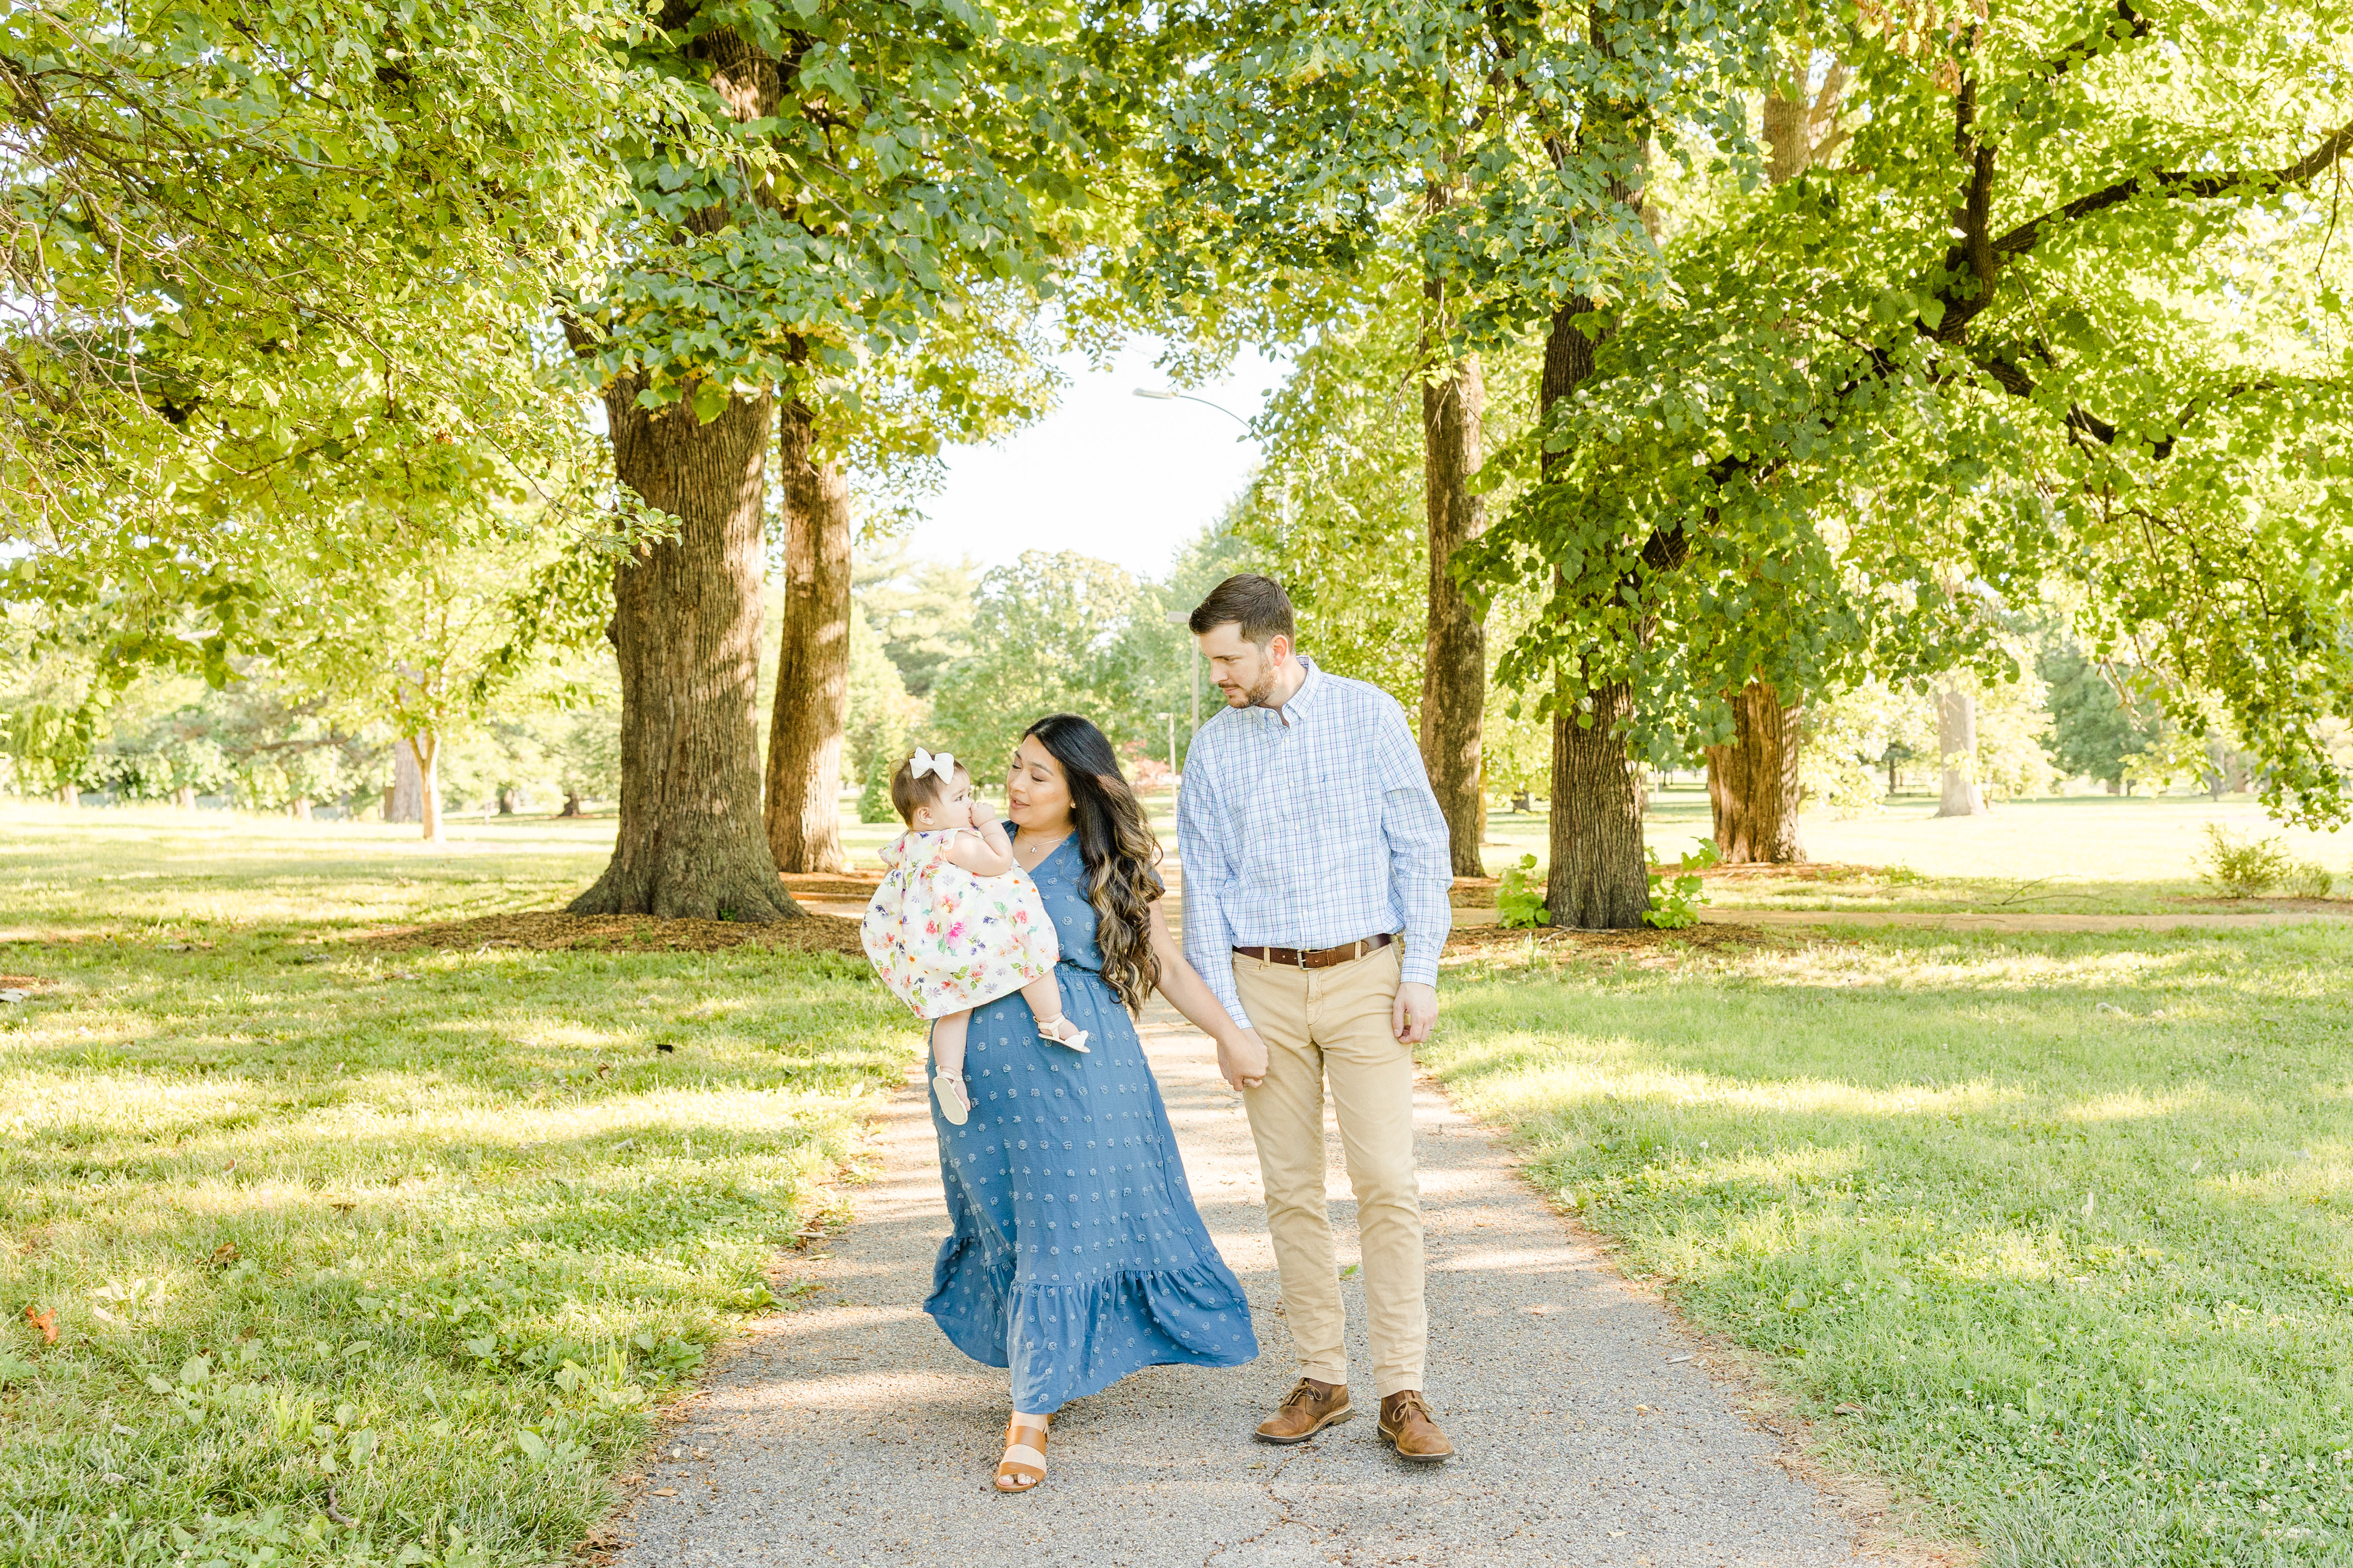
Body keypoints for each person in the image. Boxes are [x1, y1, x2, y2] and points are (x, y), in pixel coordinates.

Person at [923, 713, 1267, 1493]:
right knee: (1005, 1221)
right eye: (1014, 766)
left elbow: (1165, 964)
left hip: (1077, 1070)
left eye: (1039, 773)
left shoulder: (1100, 861)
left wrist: (1230, 1035)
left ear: (1081, 789)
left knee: (1061, 1226)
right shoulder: (973, 845)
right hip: (974, 1069)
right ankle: (1048, 1362)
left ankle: (1030, 1413)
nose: (1016, 783)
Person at [1176, 573, 1457, 1464]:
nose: (1217, 674)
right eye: (1210, 659)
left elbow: (1420, 844)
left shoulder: (1367, 715)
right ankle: (1321, 1377)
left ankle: (1401, 1389)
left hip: (1366, 974)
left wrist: (1418, 970)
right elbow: (1206, 893)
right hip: (1263, 984)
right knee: (1290, 1188)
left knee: (1386, 1181)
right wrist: (1227, 1022)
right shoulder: (1211, 750)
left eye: (1228, 658)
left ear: (1276, 649)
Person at [860, 747, 1092, 1126]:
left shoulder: (910, 841)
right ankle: (1052, 1020)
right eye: (960, 798)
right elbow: (999, 860)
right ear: (927, 815)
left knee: (953, 1007)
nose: (971, 804)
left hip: (935, 945)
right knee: (1029, 955)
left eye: (970, 794)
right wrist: (988, 825)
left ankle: (948, 1073)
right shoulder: (953, 840)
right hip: (972, 936)